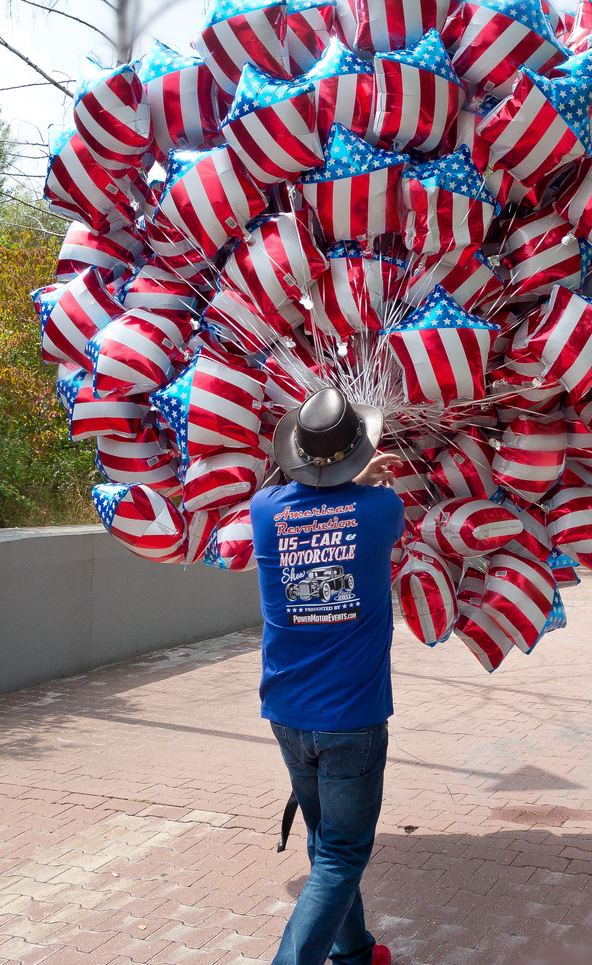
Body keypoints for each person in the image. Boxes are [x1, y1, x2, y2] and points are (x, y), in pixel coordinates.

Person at [252, 387, 404, 965]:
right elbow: (357, 514)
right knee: (342, 854)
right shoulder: (382, 509)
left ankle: (356, 953)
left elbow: (310, 507)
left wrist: (347, 481)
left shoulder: (264, 512)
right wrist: (361, 483)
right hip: (353, 721)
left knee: (325, 845)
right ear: (356, 454)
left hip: (287, 713)